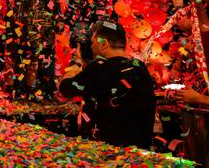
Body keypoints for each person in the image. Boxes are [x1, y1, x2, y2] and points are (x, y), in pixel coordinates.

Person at [59, 20, 156, 149]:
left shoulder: (99, 68)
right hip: (140, 152)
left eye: (93, 42)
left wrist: (74, 67)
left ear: (104, 44)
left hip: (109, 153)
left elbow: (65, 89)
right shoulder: (139, 66)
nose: (92, 46)